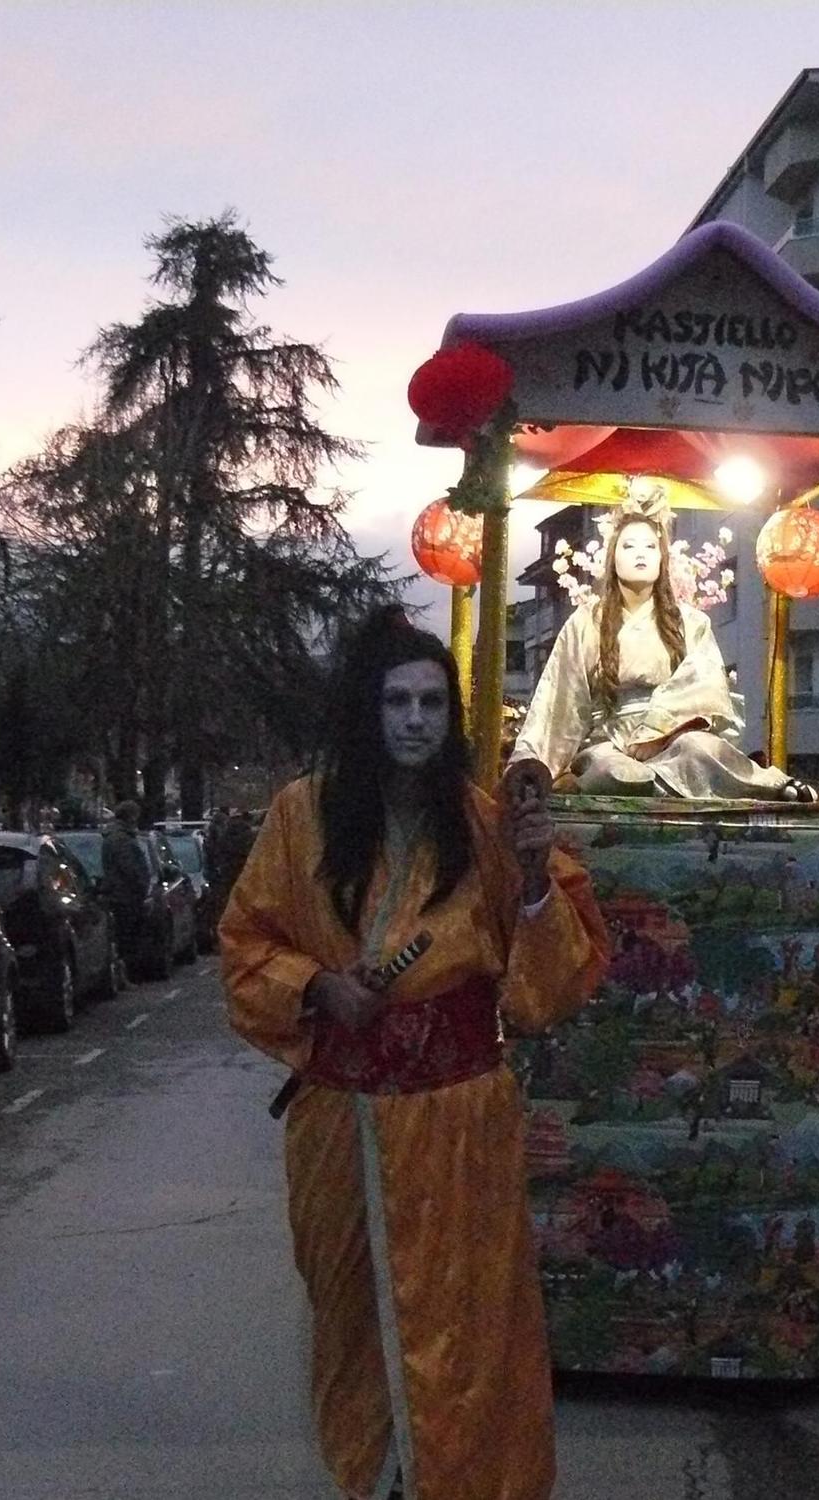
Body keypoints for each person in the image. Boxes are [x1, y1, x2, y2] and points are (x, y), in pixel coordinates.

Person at [221, 608, 608, 1500]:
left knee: (469, 1330)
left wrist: (541, 884)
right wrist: (319, 987)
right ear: (370, 712)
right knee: (355, 1321)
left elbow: (549, 985)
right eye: (396, 701)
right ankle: (377, 1481)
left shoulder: (487, 829)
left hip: (461, 1128)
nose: (414, 719)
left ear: (452, 717)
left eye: (432, 702)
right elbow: (244, 944)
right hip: (340, 1126)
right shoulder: (299, 818)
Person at [511, 488, 812, 800]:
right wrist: (532, 765)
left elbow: (705, 688)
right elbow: (561, 701)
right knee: (618, 773)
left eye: (650, 546)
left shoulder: (691, 622)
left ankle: (777, 787)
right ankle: (639, 782)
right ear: (613, 558)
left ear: (662, 557)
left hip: (673, 740)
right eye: (628, 546)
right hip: (611, 744)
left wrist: (657, 734)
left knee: (703, 748)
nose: (640, 553)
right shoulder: (586, 623)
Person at [101, 798, 151, 962]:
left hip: (122, 893)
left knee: (125, 936)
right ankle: (127, 971)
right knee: (127, 936)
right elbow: (129, 867)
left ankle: (126, 972)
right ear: (131, 817)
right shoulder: (121, 839)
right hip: (125, 895)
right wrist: (141, 884)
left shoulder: (116, 836)